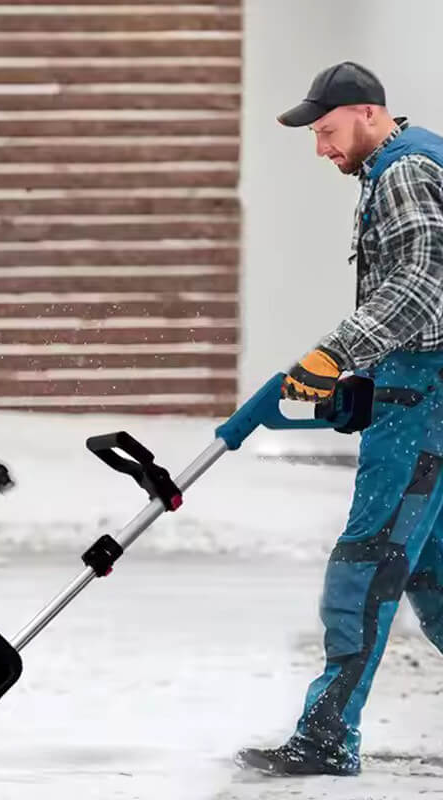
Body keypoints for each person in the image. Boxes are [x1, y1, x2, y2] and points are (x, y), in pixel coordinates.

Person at [236, 61, 443, 776]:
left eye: (327, 131)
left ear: (366, 113)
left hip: (424, 399)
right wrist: (361, 378)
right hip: (418, 390)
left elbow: (419, 286)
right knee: (430, 573)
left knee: (367, 565)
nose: (322, 148)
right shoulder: (414, 162)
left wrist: (336, 353)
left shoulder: (405, 170)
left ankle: (324, 739)